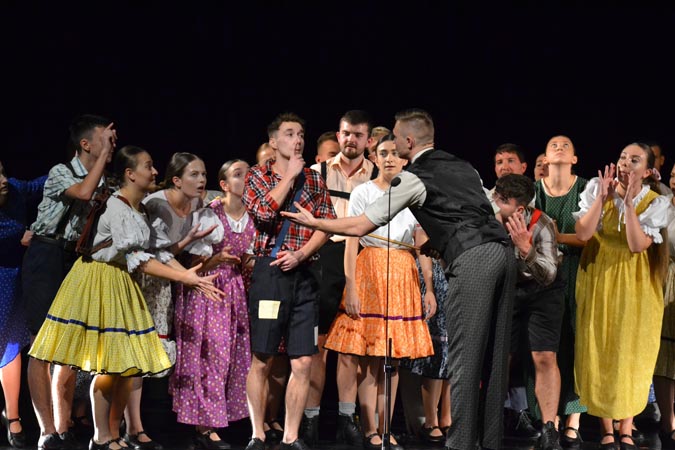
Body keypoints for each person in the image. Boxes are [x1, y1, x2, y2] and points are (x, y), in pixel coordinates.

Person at [283, 108, 516, 450]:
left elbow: (361, 225)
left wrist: (317, 222)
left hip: (474, 259)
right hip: (503, 253)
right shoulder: (464, 166)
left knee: (465, 359)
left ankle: (461, 445)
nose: (391, 141)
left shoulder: (415, 177)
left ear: (408, 141)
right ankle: (490, 443)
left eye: (395, 136)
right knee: (495, 357)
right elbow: (486, 212)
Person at [28, 145, 222, 450]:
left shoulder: (139, 209)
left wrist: (188, 268)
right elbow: (139, 259)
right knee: (109, 364)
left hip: (121, 281)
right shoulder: (117, 207)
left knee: (126, 367)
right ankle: (101, 436)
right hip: (99, 279)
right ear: (130, 174)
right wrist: (184, 277)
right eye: (148, 166)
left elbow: (154, 253)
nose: (155, 171)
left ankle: (114, 432)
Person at [324, 133, 434, 450]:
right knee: (370, 357)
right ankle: (369, 427)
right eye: (383, 153)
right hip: (370, 267)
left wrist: (428, 289)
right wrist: (351, 286)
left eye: (395, 153)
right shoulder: (363, 192)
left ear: (405, 159)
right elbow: (351, 242)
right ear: (374, 158)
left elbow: (421, 245)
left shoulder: (414, 193)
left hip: (402, 272)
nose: (389, 159)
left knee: (392, 357)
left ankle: (386, 428)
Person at [22, 114, 117, 450]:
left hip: (74, 259)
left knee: (69, 345)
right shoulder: (61, 171)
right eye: (104, 138)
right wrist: (103, 160)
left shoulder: (105, 181)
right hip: (46, 255)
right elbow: (83, 192)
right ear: (85, 144)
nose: (111, 143)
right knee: (40, 345)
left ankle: (63, 427)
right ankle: (46, 431)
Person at [242, 112, 336, 450]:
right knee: (262, 357)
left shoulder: (314, 179)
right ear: (273, 141)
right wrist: (290, 176)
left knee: (304, 360)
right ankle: (257, 433)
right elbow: (264, 213)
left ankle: (291, 436)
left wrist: (301, 254)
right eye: (289, 134)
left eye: (301, 134)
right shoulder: (257, 175)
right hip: (270, 273)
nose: (297, 140)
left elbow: (327, 224)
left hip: (305, 274)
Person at [574, 143, 670, 450]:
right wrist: (602, 199)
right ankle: (606, 428)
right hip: (599, 277)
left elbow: (636, 245)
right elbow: (583, 234)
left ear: (648, 170)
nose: (625, 163)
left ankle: (626, 427)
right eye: (622, 157)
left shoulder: (656, 202)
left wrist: (628, 204)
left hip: (636, 283)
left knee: (631, 353)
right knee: (600, 348)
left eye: (635, 159)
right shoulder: (597, 189)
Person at [124, 152, 220, 450]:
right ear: (176, 180)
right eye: (194, 175)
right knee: (137, 351)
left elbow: (173, 250)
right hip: (144, 277)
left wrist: (190, 261)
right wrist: (190, 278)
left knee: (153, 353)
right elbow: (156, 253)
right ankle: (132, 427)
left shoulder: (198, 204)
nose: (201, 180)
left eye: (204, 174)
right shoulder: (157, 205)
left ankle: (137, 426)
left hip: (166, 283)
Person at [170, 159, 255, 449]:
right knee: (209, 356)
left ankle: (222, 419)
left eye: (249, 174)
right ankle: (205, 425)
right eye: (238, 175)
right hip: (207, 288)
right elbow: (193, 265)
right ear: (224, 184)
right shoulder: (210, 215)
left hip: (235, 290)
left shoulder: (252, 216)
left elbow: (249, 257)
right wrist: (216, 260)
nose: (246, 179)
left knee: (234, 355)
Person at [303, 110, 377, 447]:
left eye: (358, 135)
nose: (351, 140)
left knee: (351, 348)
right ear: (338, 134)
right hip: (322, 260)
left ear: (368, 140)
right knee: (317, 346)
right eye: (346, 133)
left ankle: (348, 419)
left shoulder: (376, 175)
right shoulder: (317, 172)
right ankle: (310, 419)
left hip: (362, 259)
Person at [493, 174, 564, 450]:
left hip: (543, 291)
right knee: (503, 357)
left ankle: (549, 429)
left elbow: (548, 275)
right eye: (496, 196)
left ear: (519, 208)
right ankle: (490, 422)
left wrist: (526, 248)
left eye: (502, 200)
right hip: (509, 289)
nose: (495, 203)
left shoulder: (541, 224)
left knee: (544, 356)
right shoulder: (490, 218)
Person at [534, 135, 588, 449]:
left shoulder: (585, 189)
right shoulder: (534, 192)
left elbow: (590, 236)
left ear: (574, 159)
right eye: (553, 144)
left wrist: (557, 236)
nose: (559, 147)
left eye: (566, 145)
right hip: (543, 276)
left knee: (577, 345)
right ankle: (549, 420)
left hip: (579, 272)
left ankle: (574, 421)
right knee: (547, 348)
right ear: (544, 156)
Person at [0, 161, 46, 448]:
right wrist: (18, 237)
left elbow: (38, 184)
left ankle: (13, 415)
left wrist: (77, 167)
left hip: (13, 280)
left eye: (2, 172)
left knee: (11, 345)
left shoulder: (14, 189)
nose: (3, 180)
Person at [655, 161, 675, 449]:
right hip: (664, 278)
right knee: (663, 353)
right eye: (672, 175)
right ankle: (668, 421)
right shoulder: (662, 206)